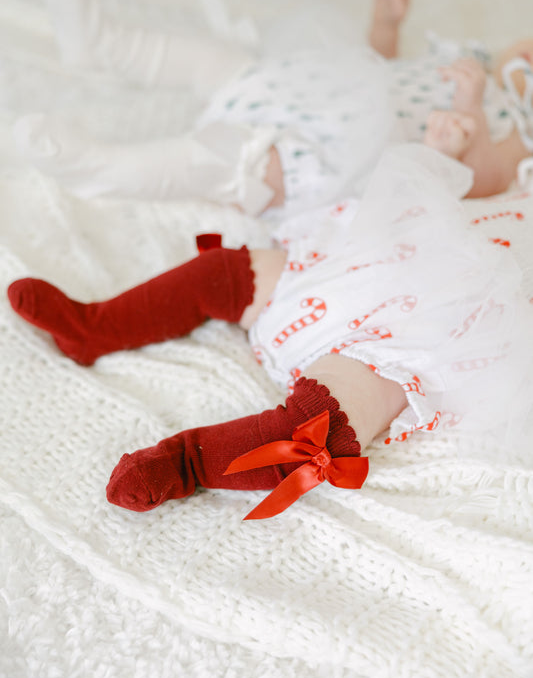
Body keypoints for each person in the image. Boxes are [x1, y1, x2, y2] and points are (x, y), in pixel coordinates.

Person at [7, 142, 533, 520]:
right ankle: (94, 326)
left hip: (441, 332)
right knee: (229, 274)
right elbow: (480, 174)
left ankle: (185, 462)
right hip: (372, 267)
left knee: (319, 432)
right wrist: (448, 143)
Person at [12, 0, 533, 217]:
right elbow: (380, 73)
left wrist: (465, 117)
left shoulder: (521, 132)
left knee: (239, 163)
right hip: (321, 96)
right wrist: (387, 23)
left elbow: (482, 178)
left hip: (343, 157)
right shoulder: (479, 61)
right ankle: (106, 46)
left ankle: (99, 169)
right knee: (224, 65)